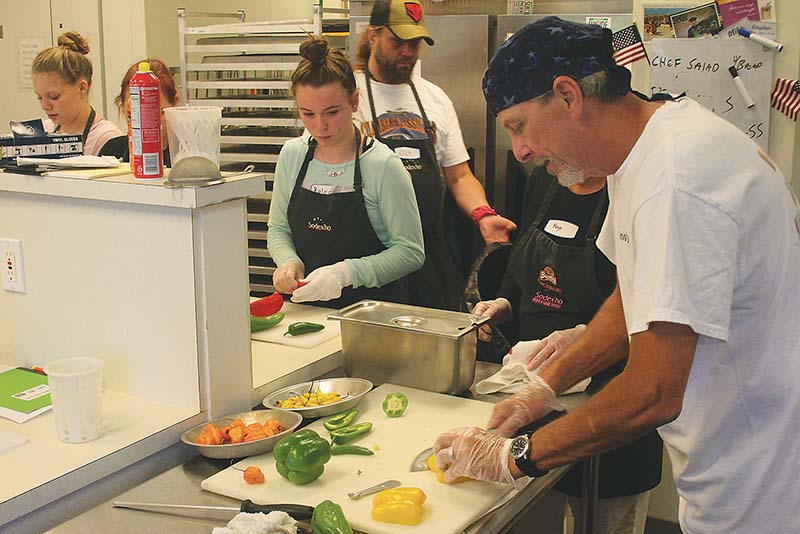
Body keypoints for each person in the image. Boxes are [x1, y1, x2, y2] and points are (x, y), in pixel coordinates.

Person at [434, 17, 800, 534]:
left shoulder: (674, 181)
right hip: (729, 459)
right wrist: (543, 386)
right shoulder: (649, 150)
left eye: (518, 126)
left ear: (568, 96)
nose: (520, 151)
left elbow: (654, 391)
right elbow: (636, 294)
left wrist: (516, 455)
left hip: (763, 484)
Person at [473, 165, 662, 534]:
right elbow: (520, 268)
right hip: (536, 395)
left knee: (607, 518)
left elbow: (650, 308)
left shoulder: (635, 188)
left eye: (525, 127)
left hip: (612, 399)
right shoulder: (545, 178)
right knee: (529, 512)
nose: (525, 150)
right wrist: (504, 303)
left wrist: (585, 335)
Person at [353, 0, 517, 310]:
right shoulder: (349, 95)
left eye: (415, 43)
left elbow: (459, 175)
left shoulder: (433, 97)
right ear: (372, 36)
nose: (407, 51)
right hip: (369, 254)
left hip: (429, 254)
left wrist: (484, 215)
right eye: (398, 40)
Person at [267, 36, 424, 309]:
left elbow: (411, 252)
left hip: (370, 318)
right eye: (308, 114)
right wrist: (288, 263)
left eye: (331, 112)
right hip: (306, 312)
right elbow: (278, 228)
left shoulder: (382, 165)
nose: (320, 126)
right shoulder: (293, 155)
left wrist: (345, 274)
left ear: (354, 101)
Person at [31, 31, 123, 156]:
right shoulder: (42, 132)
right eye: (39, 97)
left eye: (54, 97)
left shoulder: (106, 138)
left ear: (82, 88)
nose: (45, 106)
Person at [99, 58, 180, 165]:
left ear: (174, 104)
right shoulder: (112, 151)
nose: (143, 126)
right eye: (133, 116)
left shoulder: (188, 154)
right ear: (122, 107)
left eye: (154, 116)